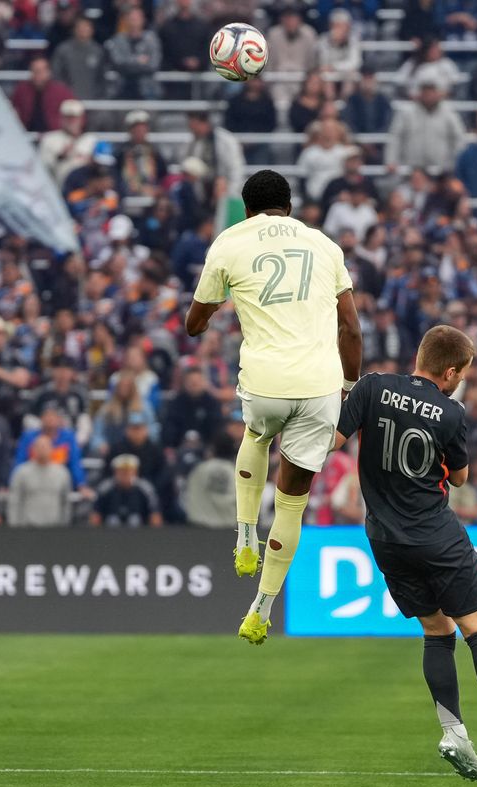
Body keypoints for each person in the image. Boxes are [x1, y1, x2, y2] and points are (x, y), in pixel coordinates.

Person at [333, 325, 477, 780]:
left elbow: (333, 438)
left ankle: (453, 732)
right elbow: (460, 478)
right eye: (461, 373)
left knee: (435, 630)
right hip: (436, 534)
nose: (461, 380)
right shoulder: (450, 412)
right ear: (448, 371)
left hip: (385, 537)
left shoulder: (372, 387)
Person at [185, 169, 362, 644]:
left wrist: (213, 309)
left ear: (247, 208)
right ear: (290, 204)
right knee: (292, 501)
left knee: (257, 435)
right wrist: (348, 385)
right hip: (321, 386)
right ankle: (262, 607)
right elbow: (351, 326)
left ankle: (245, 533)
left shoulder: (230, 241)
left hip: (266, 380)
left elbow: (195, 323)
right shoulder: (324, 246)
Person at [7, 434, 73, 527]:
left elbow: (65, 502)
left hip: (54, 528)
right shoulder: (21, 472)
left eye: (45, 446)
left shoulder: (62, 473)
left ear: (52, 449)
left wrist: (64, 524)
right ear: (33, 450)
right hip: (28, 527)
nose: (42, 450)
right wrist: (14, 525)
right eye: (39, 446)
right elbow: (14, 501)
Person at [104, 7, 162, 101]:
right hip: (121, 90)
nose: (134, 23)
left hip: (147, 91)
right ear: (126, 21)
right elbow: (117, 63)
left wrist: (128, 63)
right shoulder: (117, 40)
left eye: (137, 19)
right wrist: (138, 60)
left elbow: (153, 65)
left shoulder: (152, 40)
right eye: (131, 19)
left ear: (143, 20)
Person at [93, 454, 162, 527]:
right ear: (115, 472)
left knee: (135, 519)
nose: (126, 474)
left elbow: (155, 516)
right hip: (109, 533)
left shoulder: (145, 489)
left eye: (129, 471)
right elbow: (95, 515)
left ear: (136, 472)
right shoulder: (105, 488)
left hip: (140, 533)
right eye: (122, 471)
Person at [52, 16, 105, 100]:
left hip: (94, 101)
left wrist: (98, 96)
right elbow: (56, 75)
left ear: (92, 30)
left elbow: (102, 78)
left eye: (86, 26)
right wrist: (64, 94)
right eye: (80, 27)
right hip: (67, 100)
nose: (83, 29)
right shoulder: (63, 50)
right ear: (74, 29)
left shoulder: (99, 51)